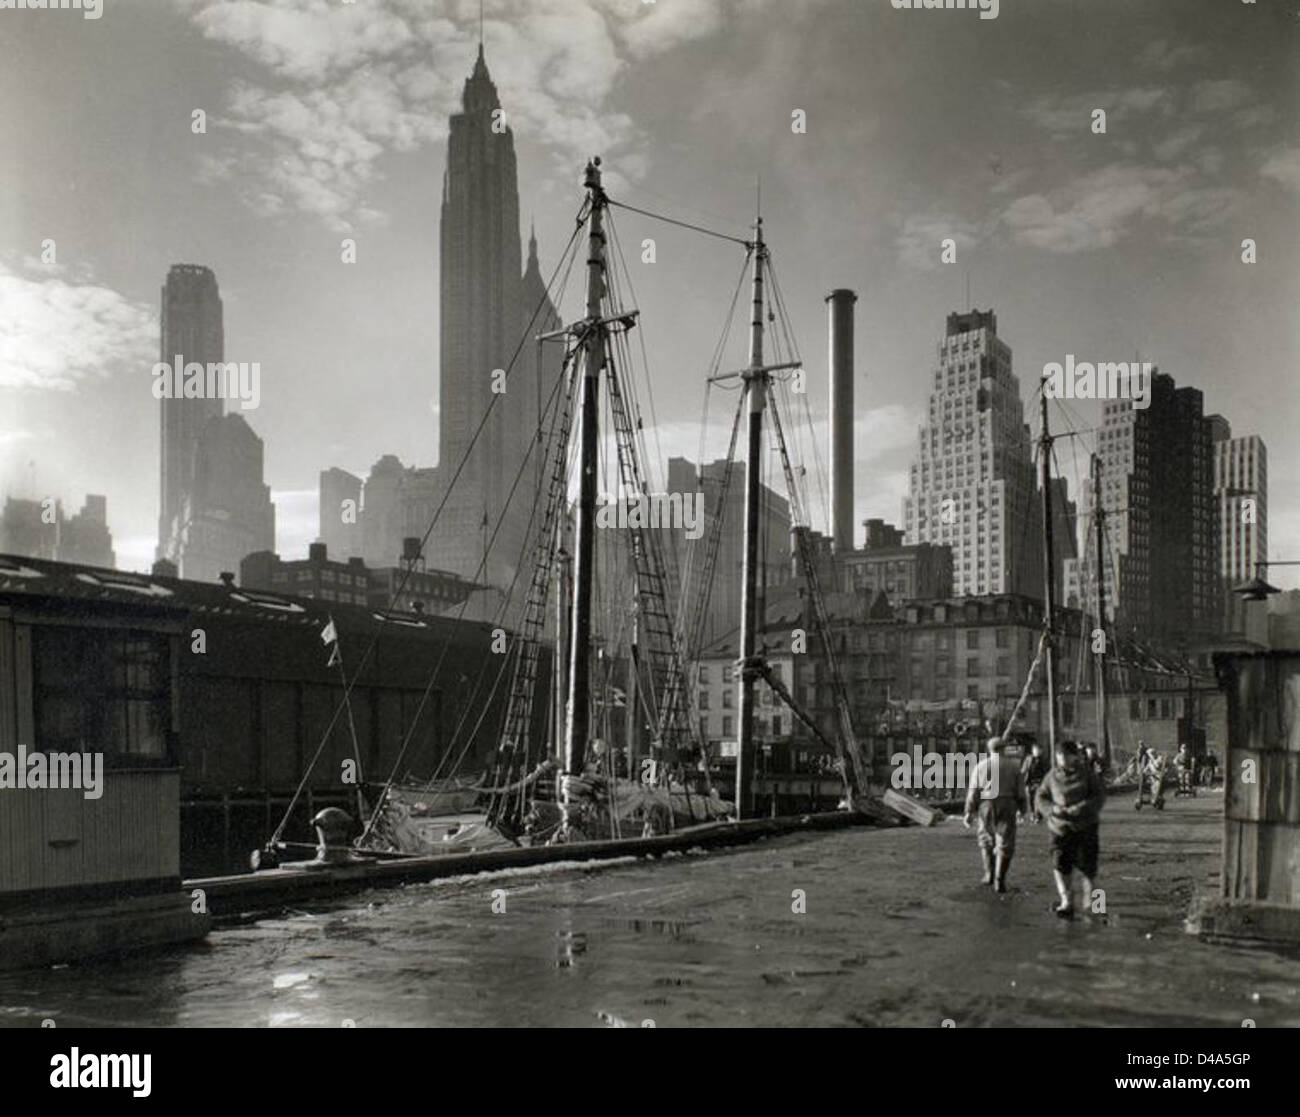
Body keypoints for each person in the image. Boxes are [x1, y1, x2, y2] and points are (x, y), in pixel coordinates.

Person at [1035, 738, 1106, 918]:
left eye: (1066, 755)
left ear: (1075, 756)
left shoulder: (1088, 774)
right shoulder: (1051, 776)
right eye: (1059, 755)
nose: (1063, 759)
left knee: (1090, 869)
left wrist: (1081, 808)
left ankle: (1098, 906)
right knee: (1060, 866)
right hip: (1059, 829)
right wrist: (1052, 810)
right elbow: (1040, 797)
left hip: (1085, 827)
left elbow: (1099, 796)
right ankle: (1066, 901)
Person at [963, 735, 1024, 893]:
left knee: (985, 839)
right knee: (1005, 842)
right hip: (1007, 804)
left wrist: (969, 812)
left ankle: (988, 874)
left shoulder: (980, 766)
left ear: (989, 750)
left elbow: (973, 791)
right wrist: (1023, 810)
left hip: (986, 804)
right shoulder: (1014, 767)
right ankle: (1000, 880)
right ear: (1004, 749)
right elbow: (1021, 792)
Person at [1020, 742, 1048, 823]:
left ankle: (1038, 815)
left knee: (1038, 799)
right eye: (1035, 749)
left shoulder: (1044, 760)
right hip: (1030, 782)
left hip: (1040, 782)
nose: (1037, 751)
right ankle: (1033, 814)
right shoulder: (1028, 759)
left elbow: (1046, 771)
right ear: (1032, 750)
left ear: (1041, 751)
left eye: (1039, 750)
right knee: (1031, 799)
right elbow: (1024, 770)